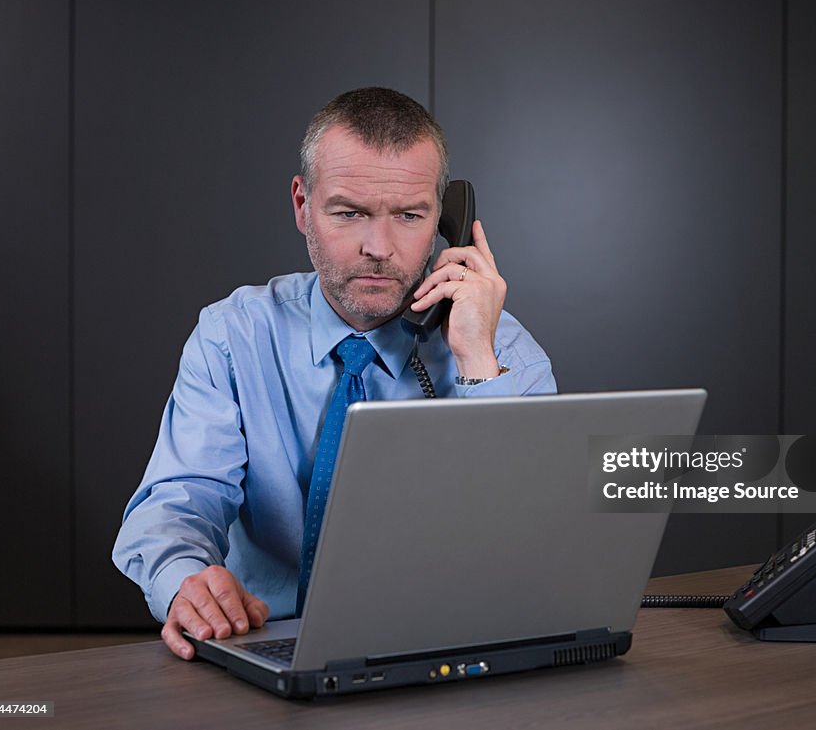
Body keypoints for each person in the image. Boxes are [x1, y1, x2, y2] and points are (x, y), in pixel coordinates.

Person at [112, 87, 556, 660]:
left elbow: (534, 537)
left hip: (445, 648)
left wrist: (475, 361)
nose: (378, 247)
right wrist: (184, 578)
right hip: (271, 641)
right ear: (302, 205)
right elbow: (181, 497)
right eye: (349, 213)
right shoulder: (234, 336)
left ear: (447, 219)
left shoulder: (500, 348)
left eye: (409, 216)